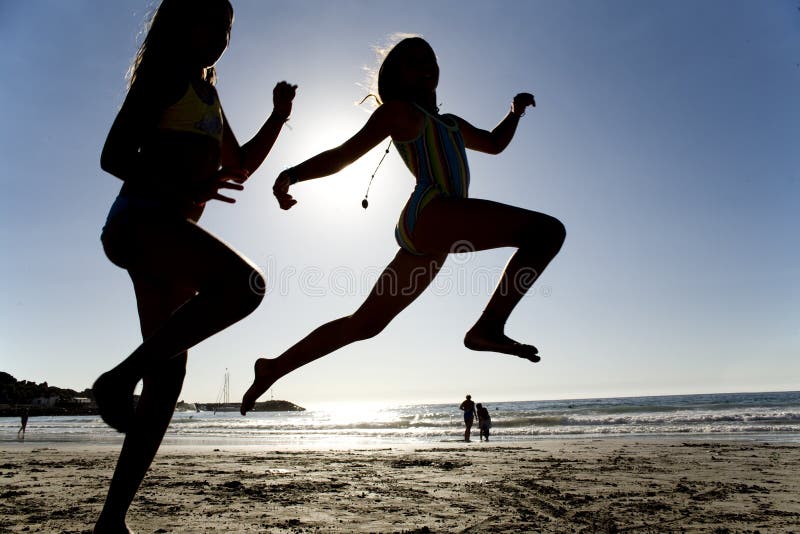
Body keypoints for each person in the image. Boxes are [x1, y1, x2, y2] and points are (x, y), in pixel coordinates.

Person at [242, 36, 565, 415]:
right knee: (546, 232)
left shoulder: (452, 124)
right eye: (413, 62)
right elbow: (345, 154)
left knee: (363, 325)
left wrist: (514, 112)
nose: (425, 64)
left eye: (429, 58)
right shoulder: (400, 112)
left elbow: (494, 143)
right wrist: (291, 175)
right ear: (396, 77)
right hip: (433, 213)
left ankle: (273, 367)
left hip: (432, 237)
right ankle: (489, 327)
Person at [93, 1, 296, 531]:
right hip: (140, 223)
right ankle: (116, 382)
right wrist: (185, 188)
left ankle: (111, 521)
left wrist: (277, 117)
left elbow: (240, 165)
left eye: (229, 27)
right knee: (245, 286)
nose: (222, 35)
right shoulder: (165, 77)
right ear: (181, 23)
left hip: (166, 237)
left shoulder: (209, 95)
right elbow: (114, 155)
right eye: (211, 20)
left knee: (169, 374)